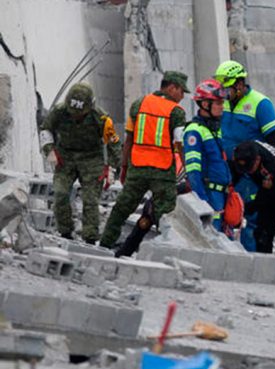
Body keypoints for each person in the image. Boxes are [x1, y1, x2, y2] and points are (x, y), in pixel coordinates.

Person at [100, 71, 188, 249]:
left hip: (137, 169)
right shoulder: (176, 112)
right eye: (181, 91)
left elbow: (129, 140)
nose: (182, 96)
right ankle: (168, 250)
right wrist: (187, 168)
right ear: (172, 88)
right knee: (165, 215)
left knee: (121, 210)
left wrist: (123, 168)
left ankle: (104, 245)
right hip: (163, 172)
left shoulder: (139, 104)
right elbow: (179, 143)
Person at [39, 82, 121, 244]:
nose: (76, 116)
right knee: (60, 193)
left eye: (80, 113)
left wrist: (110, 168)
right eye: (73, 112)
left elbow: (114, 143)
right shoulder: (59, 112)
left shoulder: (101, 118)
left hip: (92, 159)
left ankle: (90, 237)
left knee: (90, 200)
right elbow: (46, 129)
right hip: (65, 157)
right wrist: (50, 150)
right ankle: (65, 232)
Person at [214, 60, 275, 252]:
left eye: (227, 89)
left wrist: (265, 173)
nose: (225, 94)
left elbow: (272, 142)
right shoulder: (223, 103)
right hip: (227, 169)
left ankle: (250, 257)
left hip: (250, 174)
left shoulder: (260, 104)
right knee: (224, 214)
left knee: (251, 219)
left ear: (240, 84)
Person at [182, 79, 232, 231]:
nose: (222, 107)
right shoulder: (194, 131)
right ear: (205, 104)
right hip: (209, 196)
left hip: (222, 195)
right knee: (212, 238)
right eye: (218, 103)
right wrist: (201, 202)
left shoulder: (215, 130)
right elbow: (193, 171)